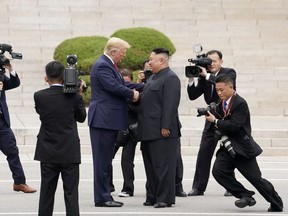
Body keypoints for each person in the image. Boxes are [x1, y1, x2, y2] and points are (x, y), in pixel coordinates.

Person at [205, 74, 283, 212]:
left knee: (256, 179)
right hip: (227, 147)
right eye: (217, 90)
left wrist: (215, 121)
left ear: (231, 87)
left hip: (242, 148)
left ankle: (276, 202)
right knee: (219, 172)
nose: (219, 93)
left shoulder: (240, 103)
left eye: (222, 90)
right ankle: (246, 196)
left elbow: (235, 125)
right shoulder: (220, 103)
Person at [88, 37, 143, 207]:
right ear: (113, 51)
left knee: (105, 160)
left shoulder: (109, 65)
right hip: (103, 119)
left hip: (107, 119)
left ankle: (105, 196)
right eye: (122, 53)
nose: (123, 56)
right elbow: (114, 87)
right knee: (102, 161)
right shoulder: (103, 65)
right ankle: (102, 197)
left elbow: (122, 84)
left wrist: (146, 86)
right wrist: (132, 94)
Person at [34, 61, 87, 216]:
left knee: (46, 194)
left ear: (46, 78)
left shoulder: (39, 96)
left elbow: (41, 113)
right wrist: (79, 94)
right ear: (64, 77)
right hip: (69, 151)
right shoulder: (74, 97)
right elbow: (82, 118)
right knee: (71, 194)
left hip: (47, 151)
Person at [187, 50, 236, 196]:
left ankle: (231, 187)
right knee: (204, 152)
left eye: (214, 61)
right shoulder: (204, 76)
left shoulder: (229, 72)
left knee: (229, 152)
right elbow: (192, 96)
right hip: (211, 116)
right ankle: (198, 187)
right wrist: (191, 79)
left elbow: (223, 83)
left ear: (221, 61)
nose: (212, 64)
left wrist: (207, 75)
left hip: (227, 117)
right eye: (209, 61)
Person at [137, 47, 182, 208]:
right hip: (148, 130)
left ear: (162, 60)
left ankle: (165, 198)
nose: (149, 62)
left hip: (162, 131)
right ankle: (153, 195)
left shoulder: (170, 78)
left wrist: (166, 126)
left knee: (163, 166)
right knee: (151, 166)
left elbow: (170, 105)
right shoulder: (153, 78)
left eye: (151, 59)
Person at [0, 62, 36, 193]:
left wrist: (10, 69)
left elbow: (14, 83)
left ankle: (19, 182)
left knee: (12, 151)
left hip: (2, 123)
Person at [111, 69, 140, 197]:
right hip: (115, 129)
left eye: (127, 83)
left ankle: (128, 188)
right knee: (107, 157)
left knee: (127, 160)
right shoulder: (114, 93)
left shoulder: (135, 94)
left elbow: (140, 109)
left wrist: (130, 99)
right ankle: (108, 186)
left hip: (130, 130)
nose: (125, 87)